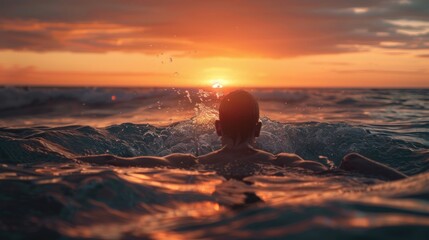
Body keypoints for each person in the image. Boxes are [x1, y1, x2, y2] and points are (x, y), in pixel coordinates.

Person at [77, 90, 407, 181]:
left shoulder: (187, 162)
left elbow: (113, 160)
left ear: (217, 128)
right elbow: (343, 168)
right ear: (259, 129)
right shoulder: (282, 161)